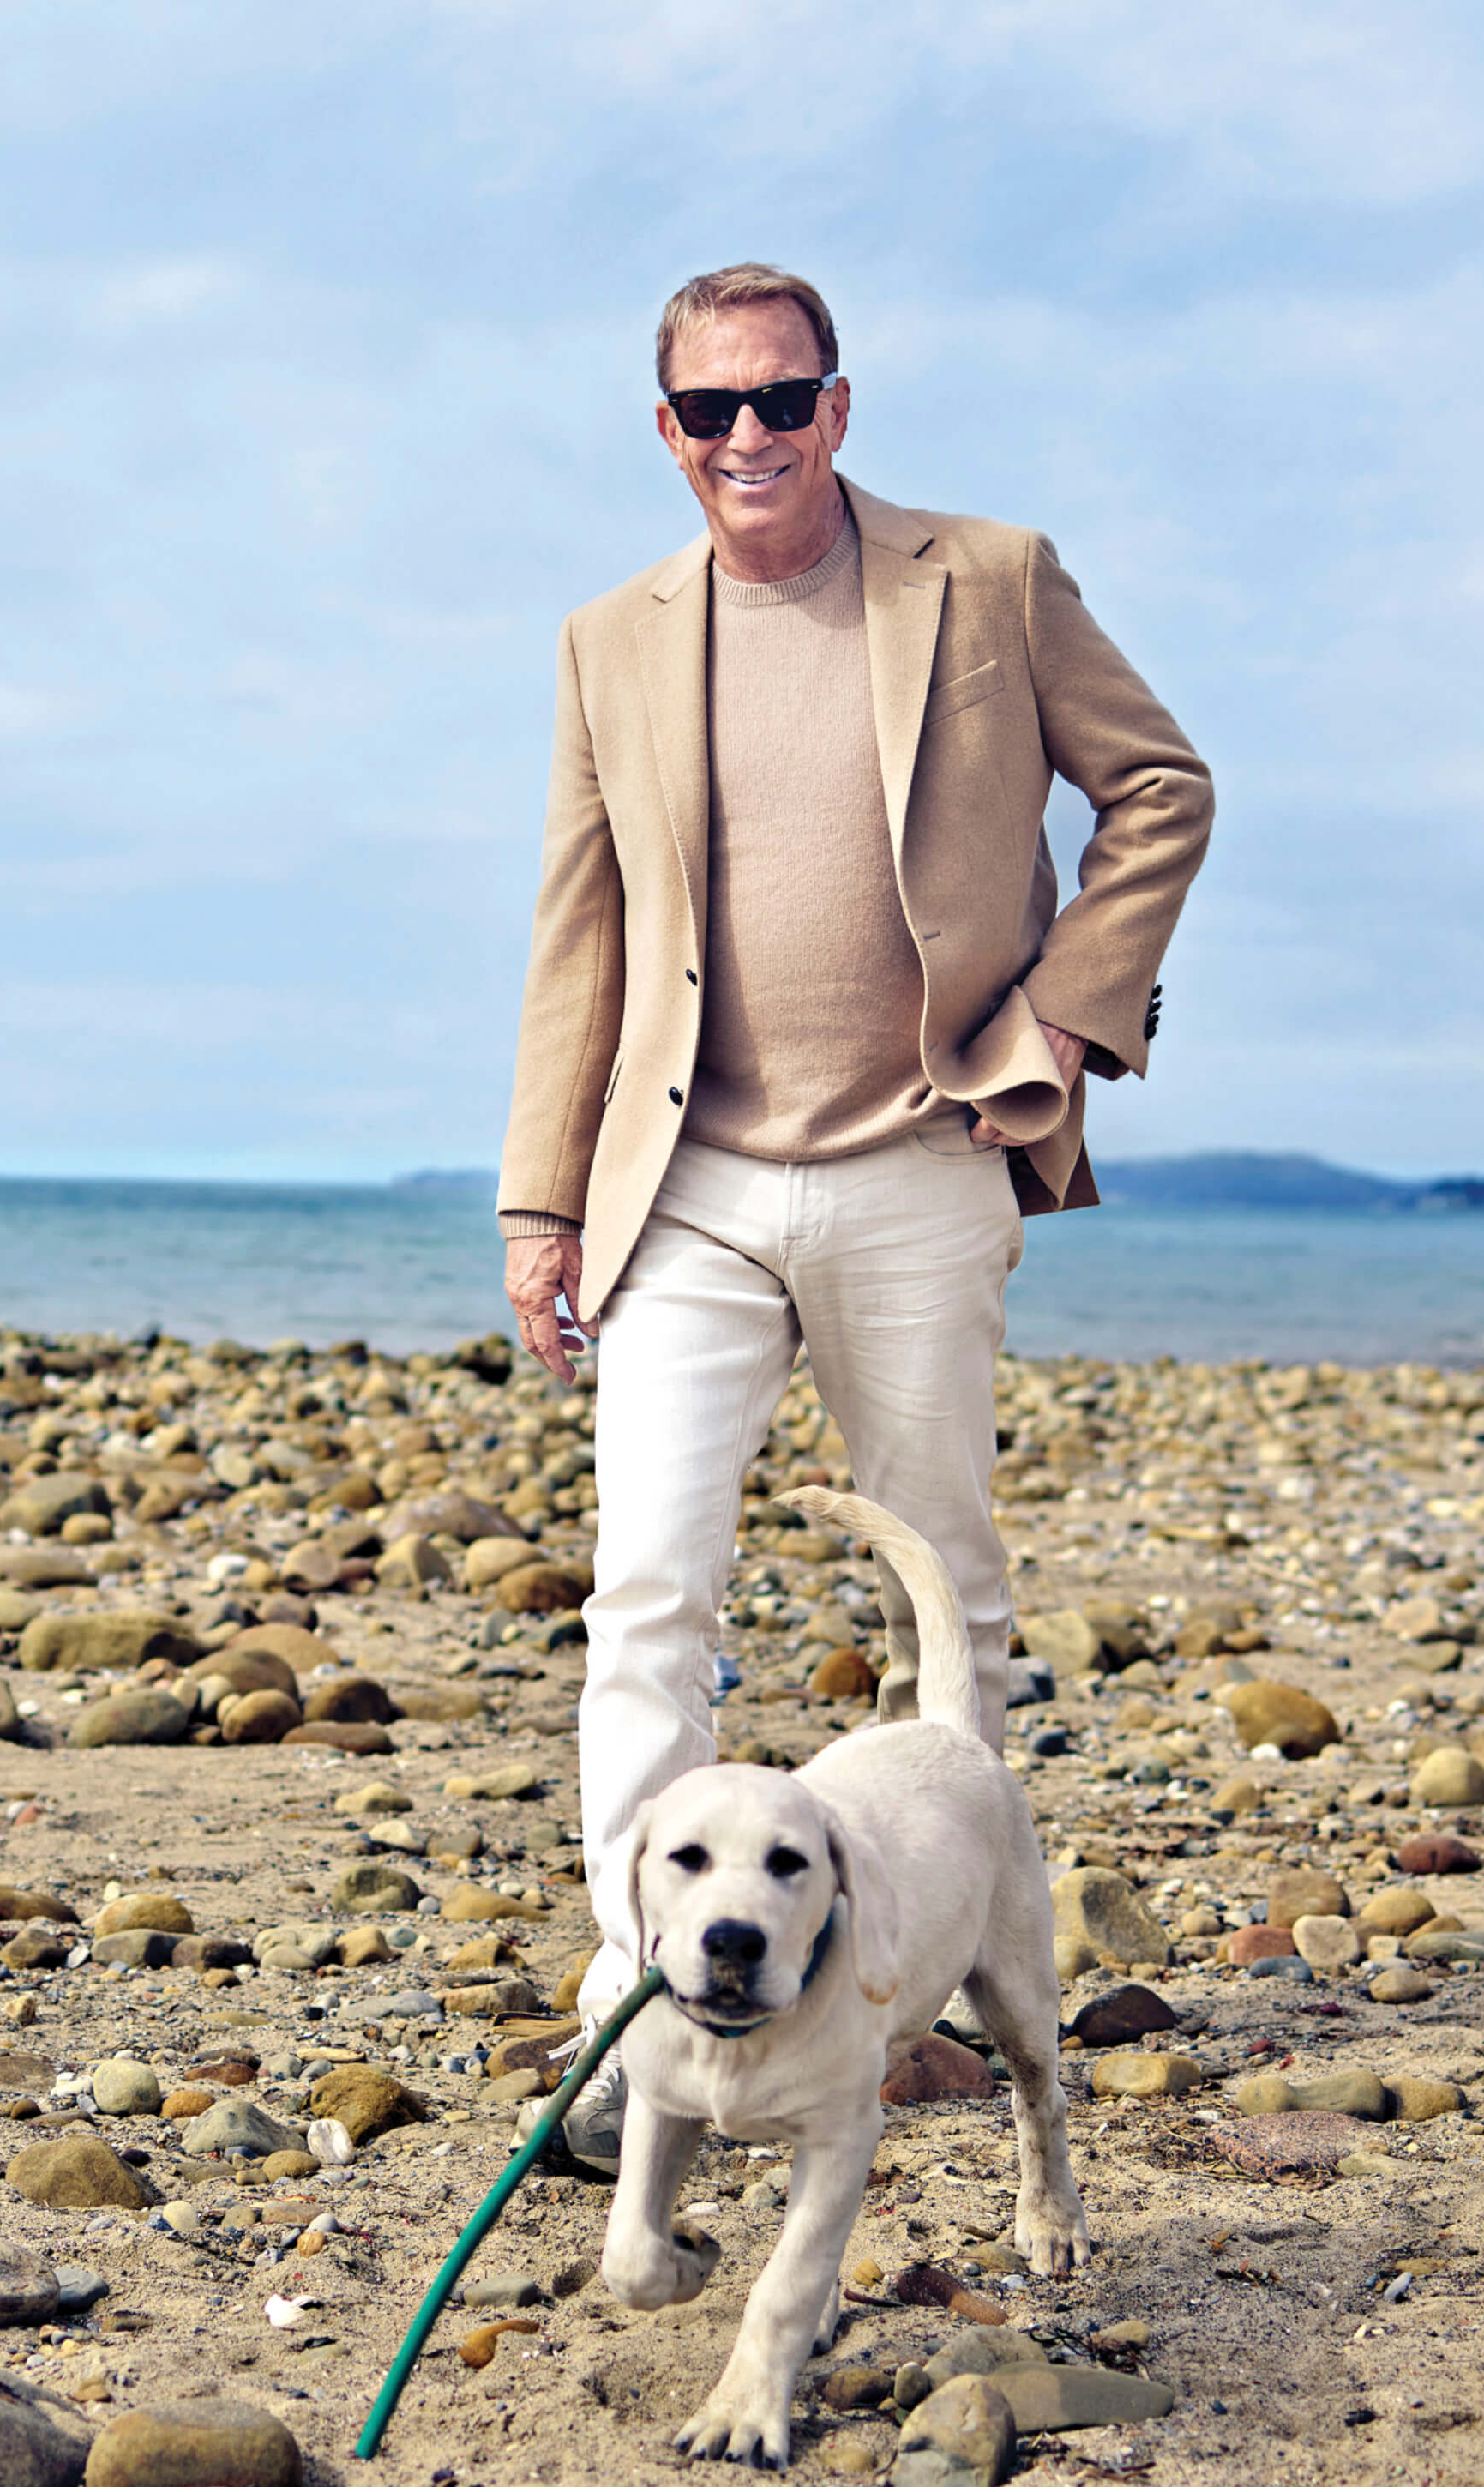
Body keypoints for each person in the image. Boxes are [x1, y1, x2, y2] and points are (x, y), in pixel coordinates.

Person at [498, 262, 1211, 2165]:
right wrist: (537, 1200)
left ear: (838, 406)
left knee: (944, 1587)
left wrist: (1064, 1016)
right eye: (710, 409)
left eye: (783, 399)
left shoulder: (986, 577)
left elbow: (1157, 784)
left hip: (917, 1157)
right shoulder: (607, 641)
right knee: (647, 1590)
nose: (750, 437)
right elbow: (582, 934)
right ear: (666, 431)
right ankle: (655, 1980)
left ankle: (900, 1960)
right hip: (691, 1189)